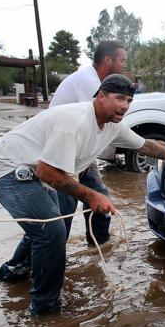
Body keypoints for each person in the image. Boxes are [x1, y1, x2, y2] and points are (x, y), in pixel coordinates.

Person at [0, 75, 165, 315]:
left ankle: (12, 273)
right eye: (119, 98)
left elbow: (145, 145)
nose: (124, 106)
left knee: (49, 224)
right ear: (101, 96)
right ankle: (44, 309)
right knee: (51, 232)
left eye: (129, 100)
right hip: (6, 169)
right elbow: (48, 171)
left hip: (35, 170)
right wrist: (91, 196)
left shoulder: (112, 125)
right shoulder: (74, 122)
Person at [50, 41, 127, 246]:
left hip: (80, 152)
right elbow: (102, 120)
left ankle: (99, 246)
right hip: (62, 154)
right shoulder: (90, 84)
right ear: (108, 60)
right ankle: (21, 265)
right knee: (61, 215)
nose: (124, 65)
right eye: (122, 60)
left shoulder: (94, 81)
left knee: (100, 198)